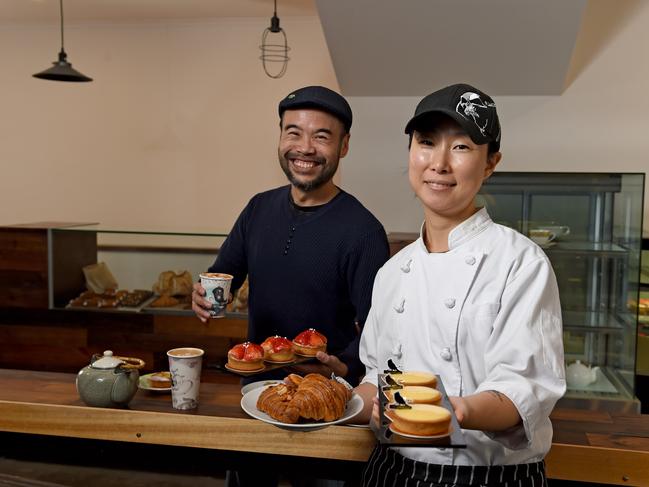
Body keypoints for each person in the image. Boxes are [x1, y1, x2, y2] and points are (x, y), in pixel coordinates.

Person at [354, 83, 566, 487]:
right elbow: (377, 377)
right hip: (390, 469)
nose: (439, 163)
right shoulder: (392, 272)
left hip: (486, 476)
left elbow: (524, 390)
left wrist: (448, 409)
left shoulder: (520, 262)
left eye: (462, 147)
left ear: (490, 163)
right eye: (427, 142)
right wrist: (336, 400)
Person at [192, 85, 390, 386]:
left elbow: (378, 329)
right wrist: (203, 298)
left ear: (344, 145)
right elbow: (223, 275)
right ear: (281, 135)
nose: (305, 148)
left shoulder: (364, 232)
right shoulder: (258, 208)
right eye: (293, 133)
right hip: (256, 389)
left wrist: (343, 367)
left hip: (326, 395)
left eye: (321, 136)